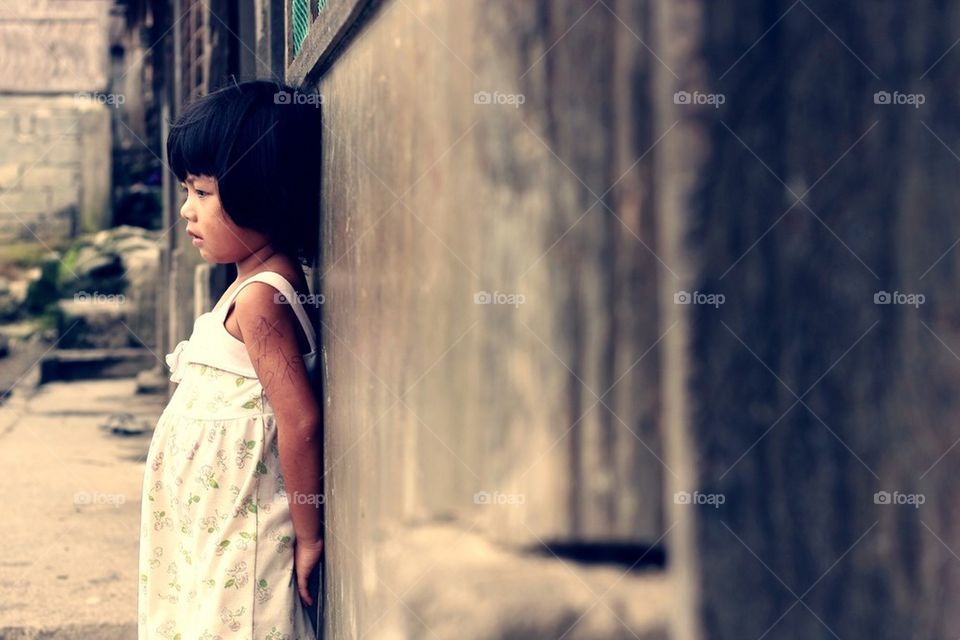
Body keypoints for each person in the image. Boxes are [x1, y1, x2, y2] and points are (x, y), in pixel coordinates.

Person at [138, 79, 324, 639]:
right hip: (215, 526)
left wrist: (310, 535)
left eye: (202, 192)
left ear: (261, 190)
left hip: (244, 530)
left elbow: (301, 420)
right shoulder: (248, 283)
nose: (186, 210)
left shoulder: (262, 295)